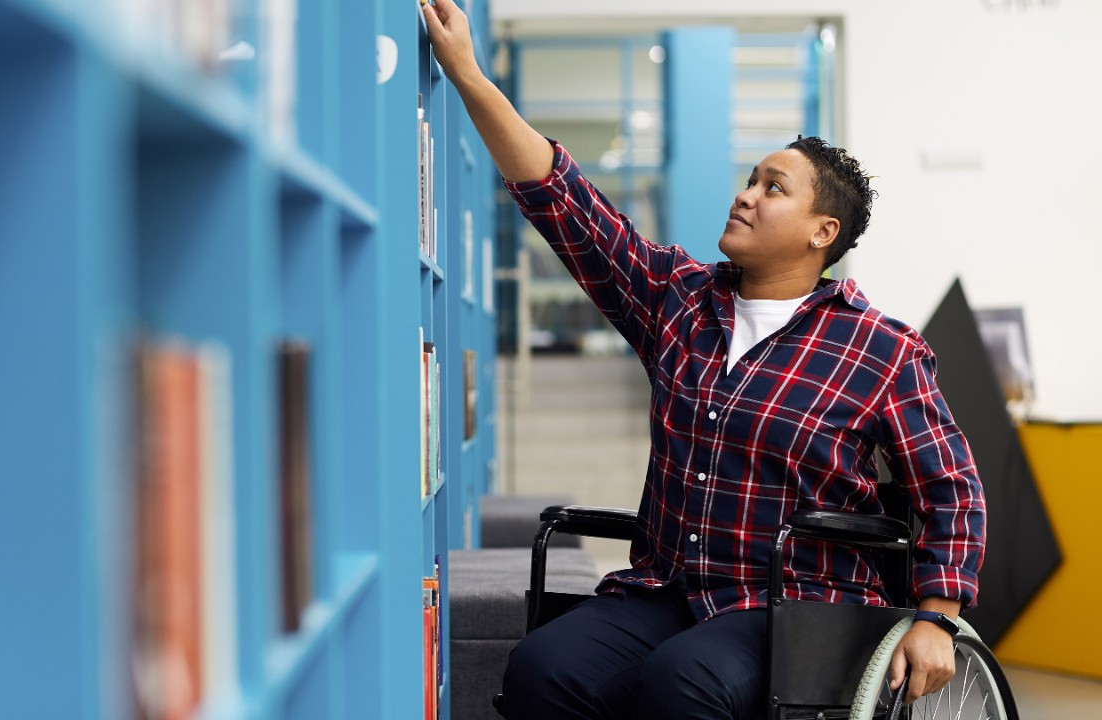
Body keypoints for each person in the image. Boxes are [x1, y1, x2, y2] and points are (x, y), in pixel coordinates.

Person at [421, 1, 986, 718]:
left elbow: (951, 486)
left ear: (824, 231)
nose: (745, 195)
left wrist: (936, 614)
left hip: (798, 608)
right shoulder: (679, 300)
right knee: (543, 669)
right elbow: (565, 204)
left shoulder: (882, 349)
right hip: (670, 590)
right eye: (749, 179)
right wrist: (467, 74)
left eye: (772, 187)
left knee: (682, 685)